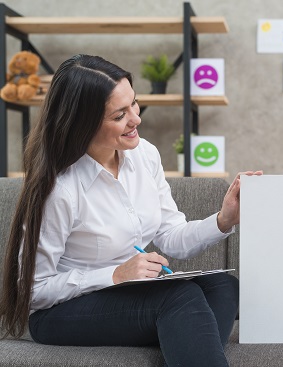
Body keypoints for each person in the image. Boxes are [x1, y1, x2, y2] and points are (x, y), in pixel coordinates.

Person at [0, 54, 261, 367]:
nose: (136, 119)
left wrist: (224, 220)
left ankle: (184, 343)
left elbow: (170, 235)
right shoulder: (61, 189)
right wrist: (114, 275)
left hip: (125, 297)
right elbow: (33, 291)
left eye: (133, 104)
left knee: (223, 286)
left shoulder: (144, 155)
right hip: (60, 311)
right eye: (119, 115)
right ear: (83, 124)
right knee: (180, 298)